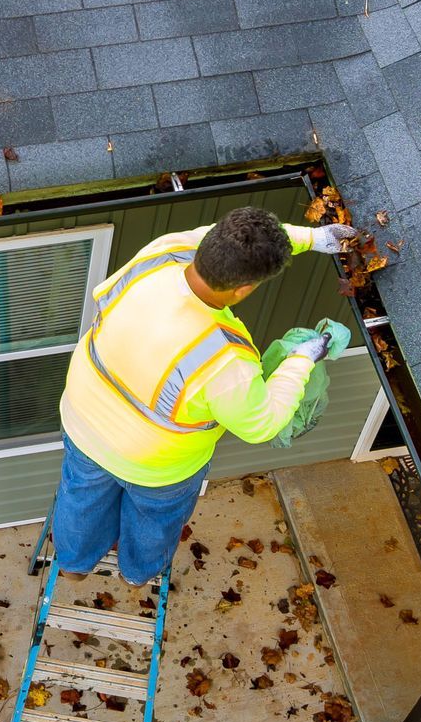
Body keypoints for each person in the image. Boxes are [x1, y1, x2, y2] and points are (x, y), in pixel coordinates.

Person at [51, 207, 356, 586]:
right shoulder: (223, 359)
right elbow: (262, 424)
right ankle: (135, 574)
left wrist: (311, 238)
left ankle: (73, 566)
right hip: (157, 466)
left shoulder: (163, 252)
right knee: (153, 519)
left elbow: (228, 238)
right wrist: (301, 358)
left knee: (81, 499)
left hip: (84, 421)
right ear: (243, 289)